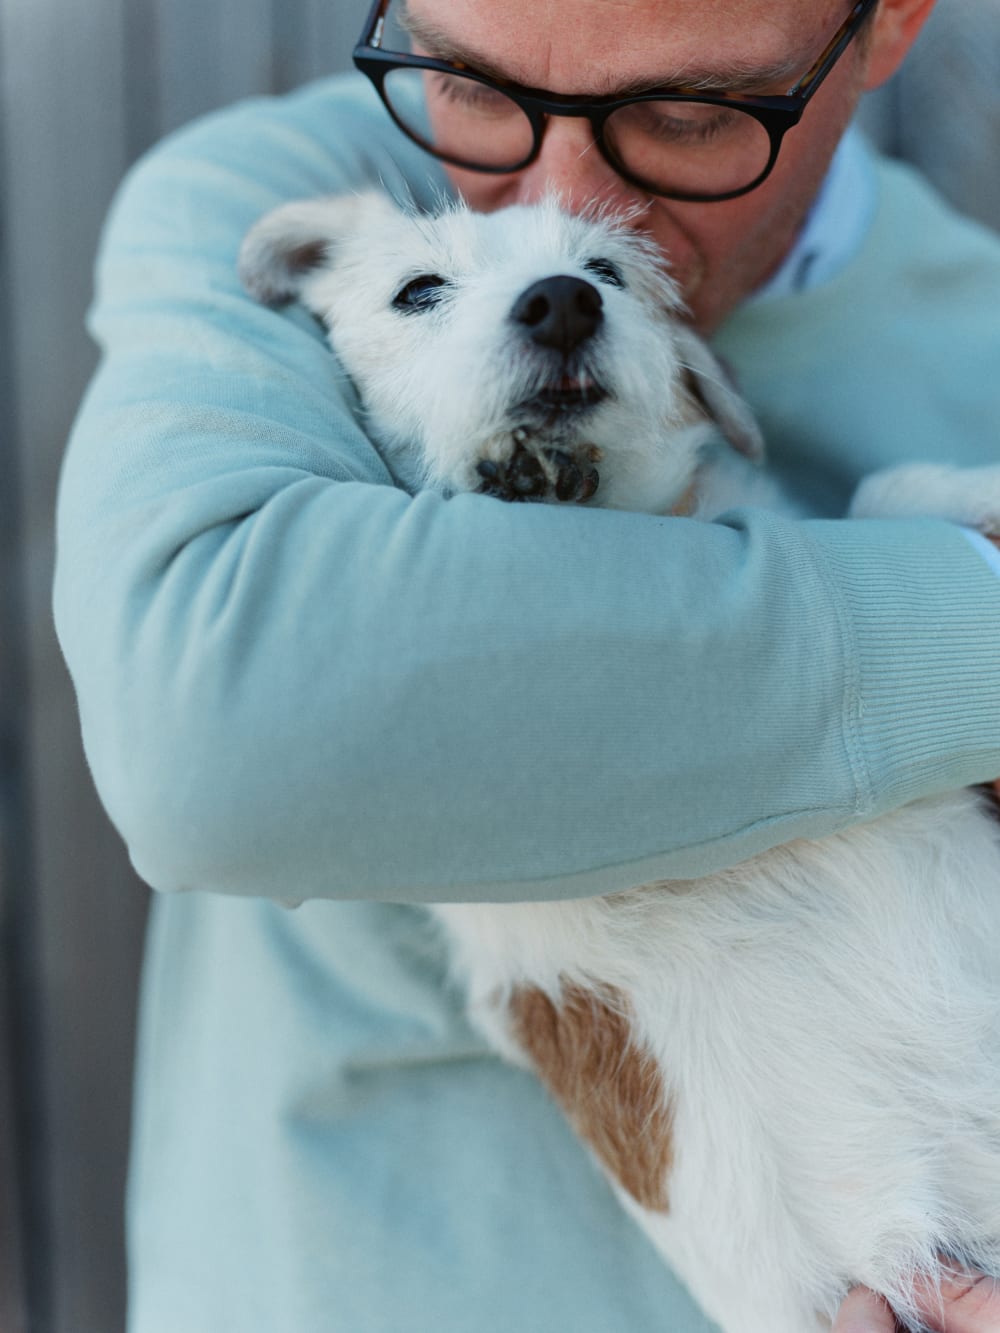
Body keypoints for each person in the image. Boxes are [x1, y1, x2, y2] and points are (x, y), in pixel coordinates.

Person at [54, 0, 1000, 1329]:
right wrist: (964, 602)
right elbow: (211, 720)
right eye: (475, 88)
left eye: (686, 114)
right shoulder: (268, 207)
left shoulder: (982, 342)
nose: (561, 210)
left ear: (892, 20)